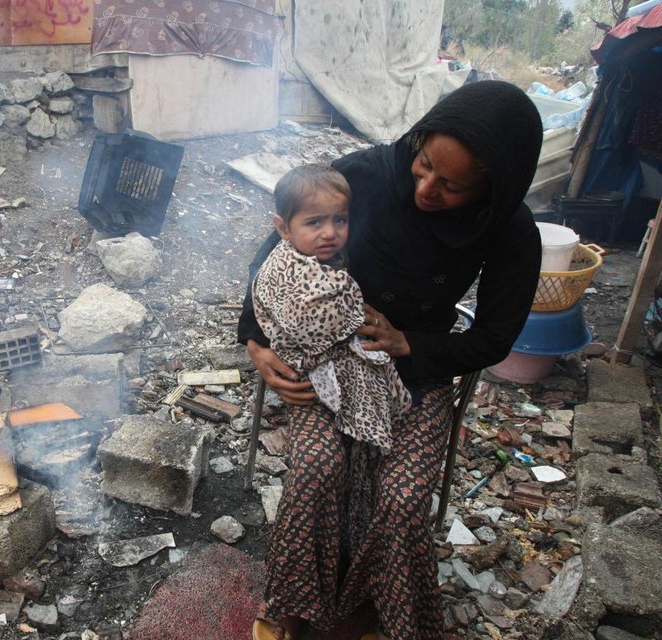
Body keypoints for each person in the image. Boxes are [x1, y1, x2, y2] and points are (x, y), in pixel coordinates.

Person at [239, 80, 543, 640]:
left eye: (450, 186)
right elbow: (276, 256)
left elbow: (495, 337)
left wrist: (411, 344)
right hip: (326, 361)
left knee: (403, 500)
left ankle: (387, 614)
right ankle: (294, 606)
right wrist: (256, 341)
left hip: (414, 372)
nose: (425, 187)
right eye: (424, 165)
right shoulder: (371, 172)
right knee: (315, 470)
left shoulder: (510, 229)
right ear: (417, 141)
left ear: (491, 190)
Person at [251, 164, 411, 459]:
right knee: (326, 457)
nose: (330, 233)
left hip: (330, 361)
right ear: (283, 228)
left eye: (340, 220)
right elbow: (313, 327)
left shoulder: (319, 255)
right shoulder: (289, 270)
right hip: (307, 373)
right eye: (314, 222)